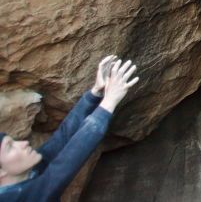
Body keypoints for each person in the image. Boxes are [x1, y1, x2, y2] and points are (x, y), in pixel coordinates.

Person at [0, 56, 139, 201]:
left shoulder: (23, 173)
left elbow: (62, 138)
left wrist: (95, 93)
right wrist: (109, 102)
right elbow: (64, 165)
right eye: (10, 147)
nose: (23, 143)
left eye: (13, 141)